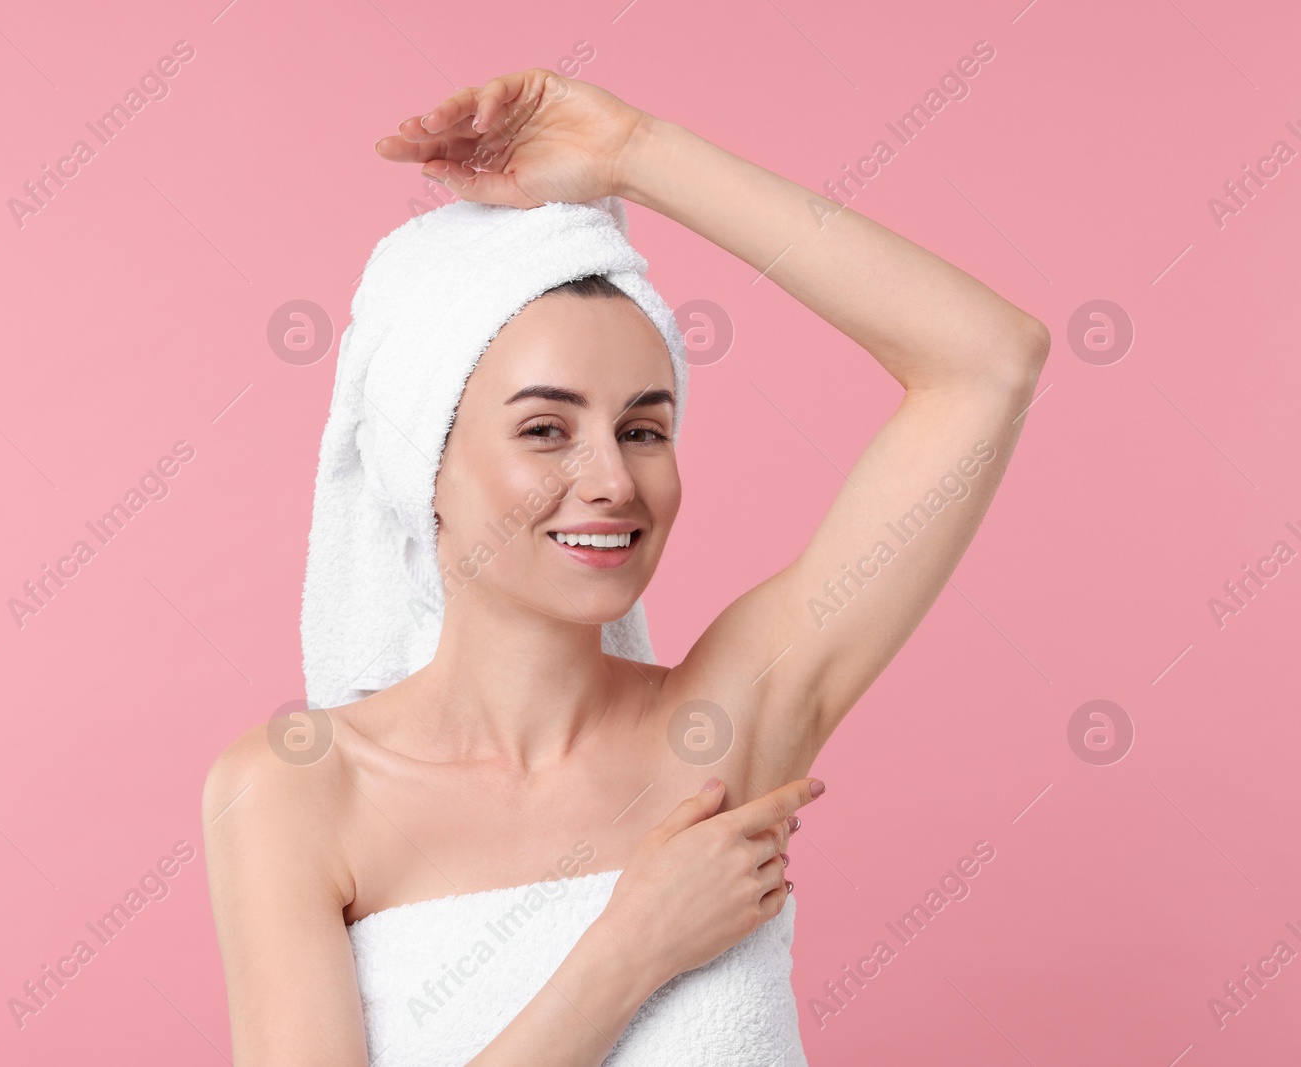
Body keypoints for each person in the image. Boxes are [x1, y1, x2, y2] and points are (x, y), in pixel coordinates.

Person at [203, 68, 1049, 1065]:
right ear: (422, 460)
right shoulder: (299, 792)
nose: (610, 478)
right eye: (545, 428)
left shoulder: (725, 735)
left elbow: (986, 360)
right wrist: (629, 949)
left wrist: (636, 151)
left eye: (644, 427)